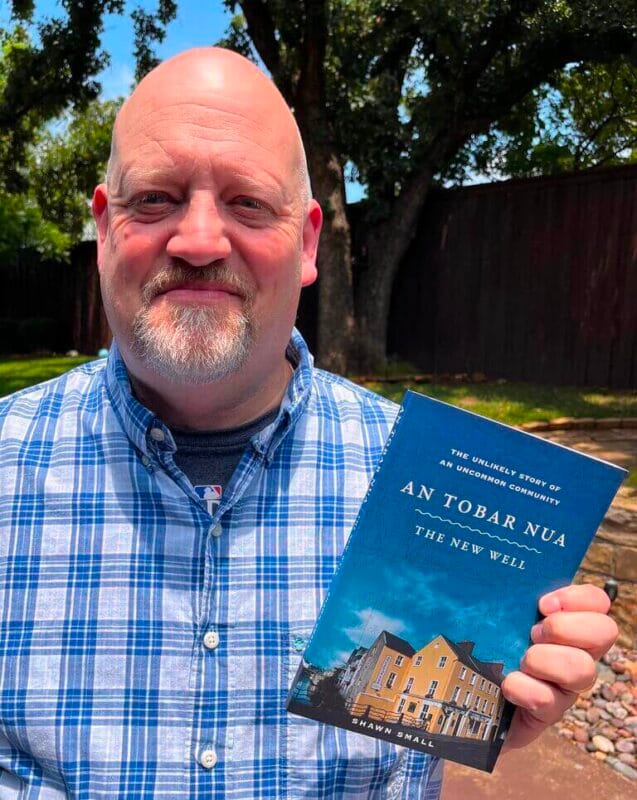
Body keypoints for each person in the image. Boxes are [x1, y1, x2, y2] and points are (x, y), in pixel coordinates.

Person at [0, 48, 617, 799]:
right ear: (103, 225)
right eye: (156, 199)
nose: (198, 242)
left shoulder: (415, 479)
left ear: (305, 242)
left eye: (248, 203)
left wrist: (500, 700)